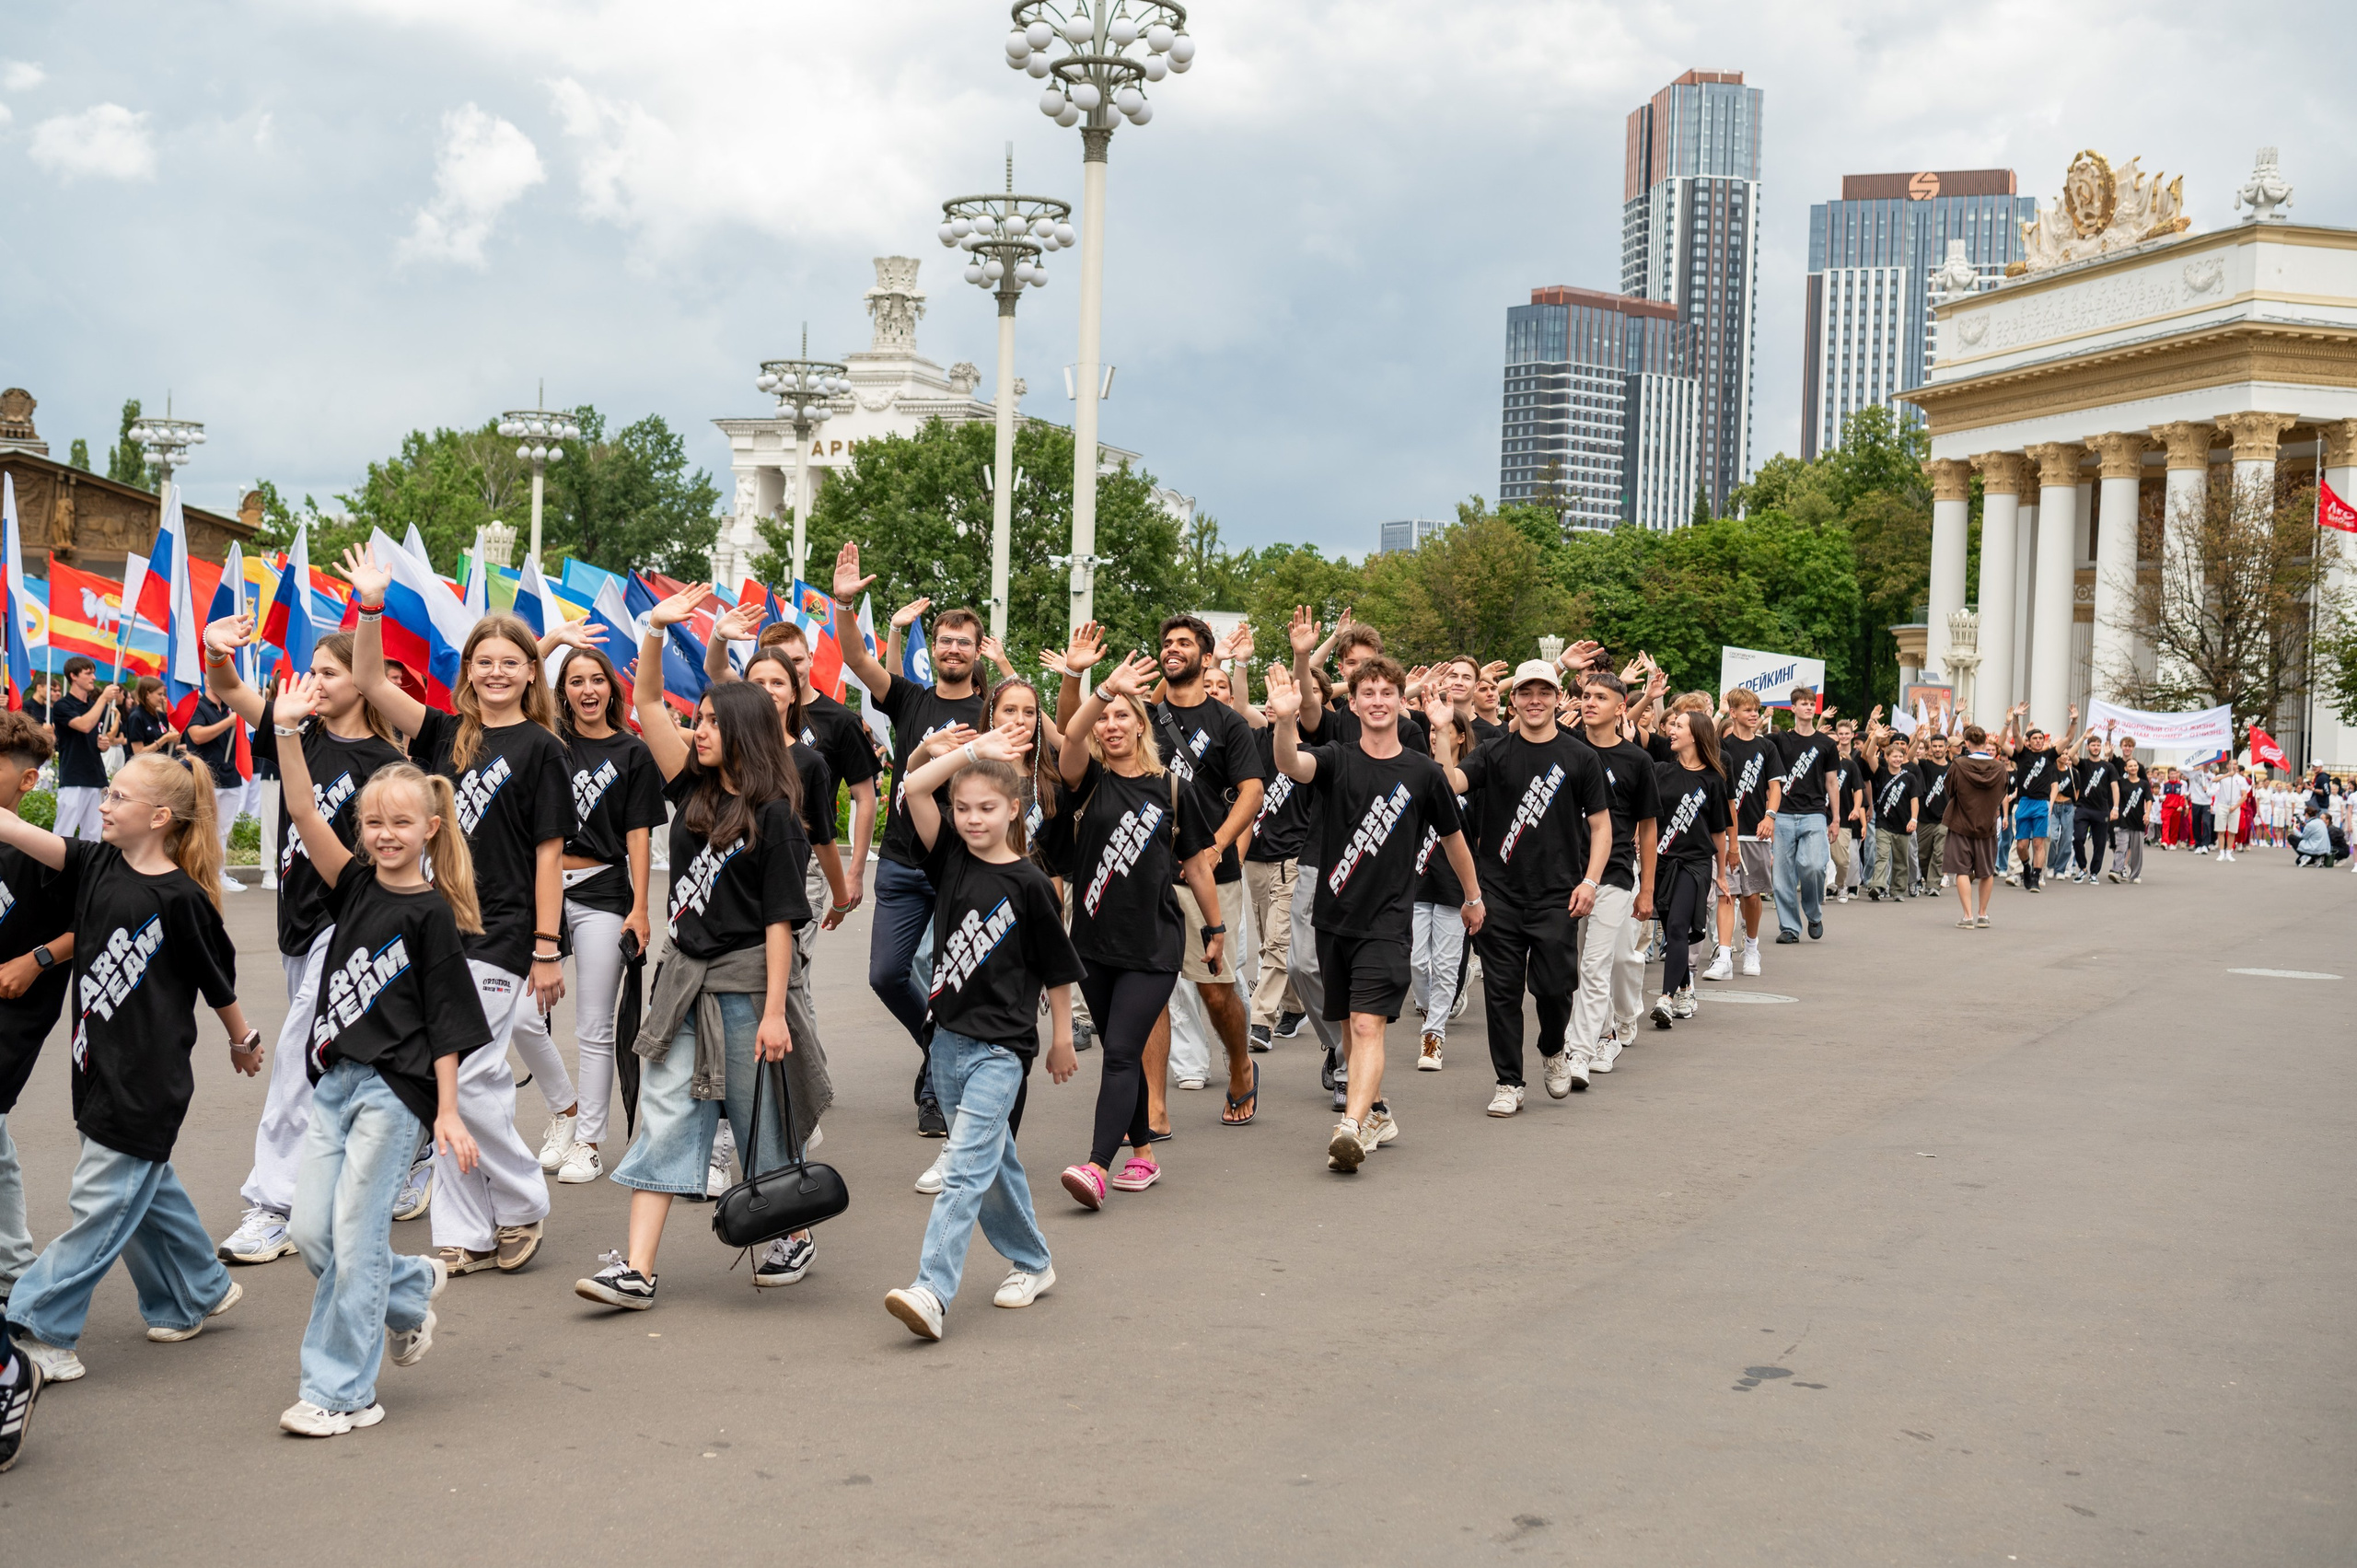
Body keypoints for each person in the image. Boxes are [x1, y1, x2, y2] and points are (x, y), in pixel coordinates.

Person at [575, 613, 819, 1310]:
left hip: (746, 989)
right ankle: (638, 1268)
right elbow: (648, 701)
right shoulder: (690, 789)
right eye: (700, 717)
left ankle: (790, 1233)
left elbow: (781, 923)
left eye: (712, 720)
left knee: (757, 1124)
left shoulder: (775, 814)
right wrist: (652, 630)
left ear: (743, 730)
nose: (699, 728)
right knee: (663, 1112)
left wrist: (776, 1012)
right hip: (682, 981)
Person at [268, 677, 492, 1436]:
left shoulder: (432, 914)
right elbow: (301, 808)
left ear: (431, 827)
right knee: (313, 1235)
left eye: (401, 822)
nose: (385, 833)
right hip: (335, 1083)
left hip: (394, 1095)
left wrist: (450, 1112)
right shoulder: (354, 884)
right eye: (373, 822)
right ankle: (409, 1288)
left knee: (356, 1240)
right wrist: (287, 729)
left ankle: (340, 1393)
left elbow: (449, 1022)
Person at [0, 752, 259, 1385]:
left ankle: (39, 1329)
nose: (105, 805)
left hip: (146, 1079)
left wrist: (242, 1036)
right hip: (93, 1064)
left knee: (98, 1203)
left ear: (160, 816)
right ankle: (195, 1290)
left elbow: (216, 979)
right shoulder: (94, 865)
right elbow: (15, 828)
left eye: (118, 797)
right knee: (143, 1189)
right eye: (107, 795)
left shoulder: (182, 897)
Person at [345, 546, 562, 1277]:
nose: (495, 672)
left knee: (467, 1078)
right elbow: (370, 678)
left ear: (531, 672)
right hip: (436, 927)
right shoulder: (443, 734)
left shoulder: (542, 748)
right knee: (459, 1078)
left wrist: (545, 944)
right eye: (483, 661)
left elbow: (548, 855)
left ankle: (524, 1199)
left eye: (510, 661)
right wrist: (371, 605)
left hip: (502, 936)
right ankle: (465, 1227)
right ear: (466, 669)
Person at [201, 618, 410, 1268]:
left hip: (346, 926)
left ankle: (273, 1205)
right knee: (335, 1059)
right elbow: (229, 687)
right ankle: (408, 1146)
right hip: (295, 922)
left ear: (362, 682)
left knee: (294, 1056)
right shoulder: (296, 729)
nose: (313, 681)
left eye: (328, 672)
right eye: (311, 669)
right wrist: (215, 651)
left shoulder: (387, 764)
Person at [882, 729, 1084, 1341]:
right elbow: (913, 786)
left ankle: (931, 1290)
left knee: (965, 1168)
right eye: (963, 806)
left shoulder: (1028, 883)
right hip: (946, 1042)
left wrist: (1061, 1035)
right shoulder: (947, 858)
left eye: (986, 806)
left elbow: (1055, 965)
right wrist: (972, 753)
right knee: (994, 1164)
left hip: (1003, 1049)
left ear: (1013, 809)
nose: (972, 818)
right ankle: (1035, 1261)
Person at [1271, 653, 1481, 1171]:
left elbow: (1455, 840)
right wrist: (1282, 720)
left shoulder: (1423, 772)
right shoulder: (1337, 758)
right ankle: (1378, 1109)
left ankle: (1350, 1126)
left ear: (1400, 699)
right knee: (1347, 1024)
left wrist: (1473, 897)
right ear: (1356, 701)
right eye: (1368, 693)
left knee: (1368, 1027)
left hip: (1389, 920)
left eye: (1388, 692)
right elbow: (1290, 765)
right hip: (1334, 917)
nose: (1378, 701)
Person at [1051, 652, 1223, 1210]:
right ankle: (1144, 1155)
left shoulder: (1172, 789)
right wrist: (1100, 689)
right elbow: (1069, 737)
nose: (1112, 725)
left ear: (1142, 726)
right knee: (1117, 1050)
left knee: (1122, 1050)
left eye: (1125, 716)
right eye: (1106, 718)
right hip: (1094, 944)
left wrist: (1215, 927)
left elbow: (1196, 865)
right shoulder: (1087, 780)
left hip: (1153, 944)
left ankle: (1097, 1166)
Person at [831, 544, 986, 1137]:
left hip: (962, 865)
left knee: (956, 976)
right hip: (901, 863)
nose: (951, 649)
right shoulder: (911, 698)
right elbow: (855, 658)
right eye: (944, 640)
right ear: (936, 648)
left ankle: (937, 1088)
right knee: (888, 976)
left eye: (962, 642)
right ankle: (937, 1049)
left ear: (976, 654)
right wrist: (845, 604)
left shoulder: (991, 708)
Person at [512, 645, 668, 1186]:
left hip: (604, 891)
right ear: (562, 691)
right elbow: (514, 670)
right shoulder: (548, 741)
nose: (587, 690)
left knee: (595, 1025)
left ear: (611, 688)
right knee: (521, 1014)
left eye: (596, 679)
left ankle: (589, 1142)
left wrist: (641, 909)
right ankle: (566, 1109)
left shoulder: (633, 753)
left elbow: (639, 838)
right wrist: (549, 642)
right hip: (544, 890)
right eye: (575, 680)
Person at [1431, 660, 1608, 1113]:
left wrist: (1591, 880)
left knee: (1553, 990)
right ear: (1515, 700)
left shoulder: (1581, 756)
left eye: (1543, 692)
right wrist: (1444, 734)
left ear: (1555, 698)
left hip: (1558, 895)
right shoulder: (1494, 752)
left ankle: (1553, 1050)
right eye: (1526, 692)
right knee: (1503, 992)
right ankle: (1509, 1081)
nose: (1534, 700)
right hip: (1499, 895)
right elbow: (1451, 783)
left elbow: (1602, 827)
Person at [1283, 610, 1430, 1112]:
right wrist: (1304, 654)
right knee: (1302, 965)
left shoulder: (1406, 732)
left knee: (1366, 1016)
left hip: (1379, 876)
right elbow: (1302, 707)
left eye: (1373, 671)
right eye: (1351, 668)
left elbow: (1428, 800)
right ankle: (1337, 1045)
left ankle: (1356, 1085)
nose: (1365, 682)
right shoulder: (1331, 721)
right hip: (1321, 859)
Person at [1142, 615, 1263, 1124]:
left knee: (1215, 991)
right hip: (1147, 873)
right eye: (1166, 643)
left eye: (1184, 644)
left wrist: (1213, 847)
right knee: (1145, 989)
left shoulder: (1228, 722)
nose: (1172, 649)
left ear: (1206, 658)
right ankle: (1154, 1104)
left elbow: (1252, 792)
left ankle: (1239, 1064)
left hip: (1212, 877)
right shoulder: (1142, 716)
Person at [0, 714, 75, 1318]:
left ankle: (14, 1271)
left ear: (28, 781)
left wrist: (37, 956)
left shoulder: (39, 854)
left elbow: (101, 910)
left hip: (11, 1020)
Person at [1569, 671, 1659, 1069]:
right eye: (1586, 696)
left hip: (1618, 873)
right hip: (1569, 874)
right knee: (1582, 965)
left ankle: (1588, 1045)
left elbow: (1649, 829)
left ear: (1620, 707)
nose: (1589, 703)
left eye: (1600, 698)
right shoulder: (1566, 748)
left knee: (1609, 961)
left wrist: (1648, 891)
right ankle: (1602, 1033)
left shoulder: (1637, 761)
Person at [1647, 708, 1733, 1028]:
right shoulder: (1660, 772)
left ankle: (1666, 998)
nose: (1671, 730)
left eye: (1678, 726)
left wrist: (1721, 873)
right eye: (1671, 725)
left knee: (1679, 926)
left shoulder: (1714, 779)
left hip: (1695, 864)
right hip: (1662, 862)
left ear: (1695, 735)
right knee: (1672, 930)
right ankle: (1685, 989)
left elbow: (1718, 831)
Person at [1408, 700, 1476, 1070]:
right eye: (1432, 731)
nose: (1436, 737)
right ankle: (1429, 1009)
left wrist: (1476, 893)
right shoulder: (1417, 771)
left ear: (1460, 737)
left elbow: (1452, 792)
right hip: (1418, 881)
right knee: (1418, 962)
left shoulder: (1472, 776)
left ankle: (1433, 1035)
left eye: (1445, 731)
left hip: (1454, 886)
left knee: (1447, 965)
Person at [1712, 688, 1782, 978]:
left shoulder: (1767, 748)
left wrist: (1770, 816)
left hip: (1755, 833)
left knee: (1752, 896)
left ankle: (1752, 948)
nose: (1754, 714)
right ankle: (1725, 956)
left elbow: (1775, 788)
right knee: (1725, 893)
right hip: (1724, 833)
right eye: (1747, 709)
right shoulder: (1720, 746)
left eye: (1756, 709)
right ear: (1733, 713)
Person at [1769, 687, 1841, 942]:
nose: (1809, 707)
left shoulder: (1827, 744)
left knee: (1813, 867)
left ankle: (1813, 913)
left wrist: (1836, 818)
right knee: (1782, 877)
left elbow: (1832, 783)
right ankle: (1789, 928)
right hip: (1784, 815)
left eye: (1812, 704)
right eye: (1803, 703)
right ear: (1793, 708)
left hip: (1814, 814)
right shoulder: (1779, 740)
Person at [182, 690, 249, 897]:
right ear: (208, 679)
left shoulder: (230, 706)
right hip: (205, 777)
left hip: (231, 776)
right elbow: (196, 735)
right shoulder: (198, 705)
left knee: (223, 831)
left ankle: (218, 875)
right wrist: (229, 722)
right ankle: (197, 876)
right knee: (201, 829)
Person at [1943, 725, 2009, 928]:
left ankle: (1967, 916)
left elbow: (1949, 789)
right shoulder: (2000, 767)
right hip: (1987, 824)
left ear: (1967, 743)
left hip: (1961, 821)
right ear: (1986, 743)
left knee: (1962, 870)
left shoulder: (1959, 764)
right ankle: (1983, 914)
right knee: (1986, 871)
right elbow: (2003, 792)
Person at [48, 658, 117, 841]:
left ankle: (87, 869)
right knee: (64, 832)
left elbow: (90, 735)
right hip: (73, 778)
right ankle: (55, 869)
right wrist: (103, 698)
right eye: (88, 673)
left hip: (95, 776)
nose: (93, 677)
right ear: (73, 676)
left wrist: (102, 744)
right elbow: (84, 725)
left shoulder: (93, 706)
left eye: (93, 673)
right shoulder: (63, 705)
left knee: (94, 836)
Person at [1913, 730, 1953, 889]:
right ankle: (1925, 877)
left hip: (1944, 819)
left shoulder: (1953, 768)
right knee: (1922, 855)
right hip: (1924, 818)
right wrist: (1917, 741)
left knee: (1939, 854)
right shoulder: (1924, 765)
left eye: (1940, 746)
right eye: (1934, 746)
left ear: (1946, 748)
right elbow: (1909, 758)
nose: (1937, 749)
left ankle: (1933, 885)